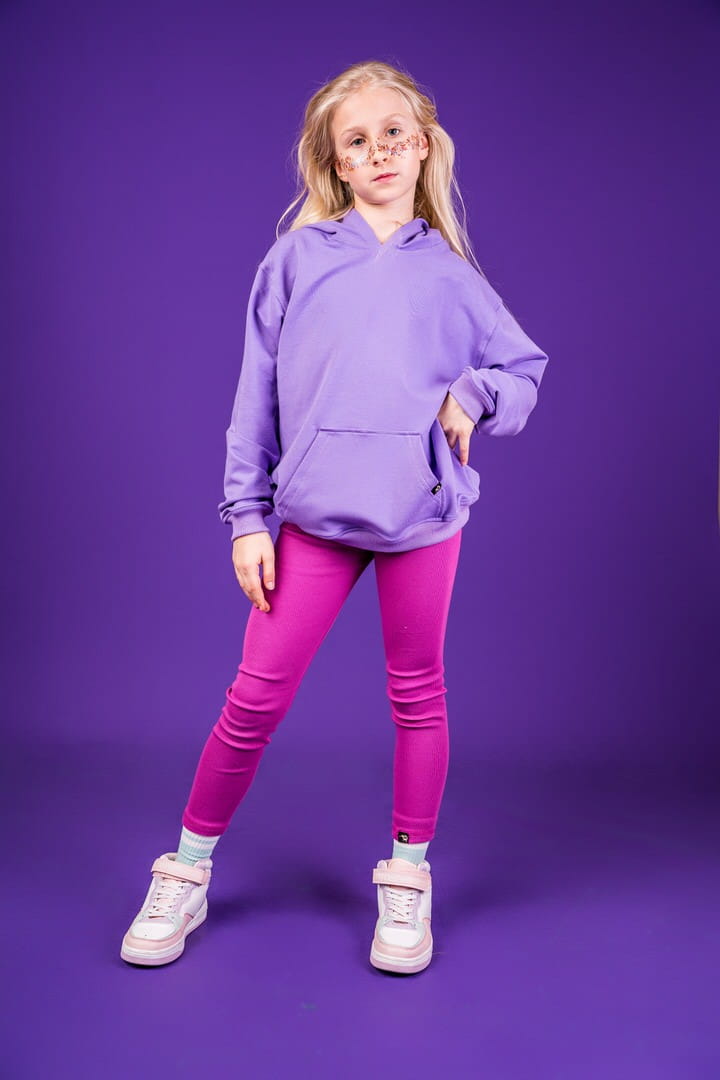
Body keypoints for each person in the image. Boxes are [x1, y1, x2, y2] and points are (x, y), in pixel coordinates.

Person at [120, 60, 549, 976]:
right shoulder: (296, 260)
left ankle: (407, 874)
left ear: (422, 145)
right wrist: (247, 517)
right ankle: (186, 870)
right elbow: (254, 397)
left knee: (418, 696)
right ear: (338, 164)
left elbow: (524, 372)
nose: (379, 150)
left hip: (421, 519)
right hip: (311, 520)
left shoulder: (454, 278)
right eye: (358, 140)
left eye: (394, 133)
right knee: (253, 699)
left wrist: (473, 395)